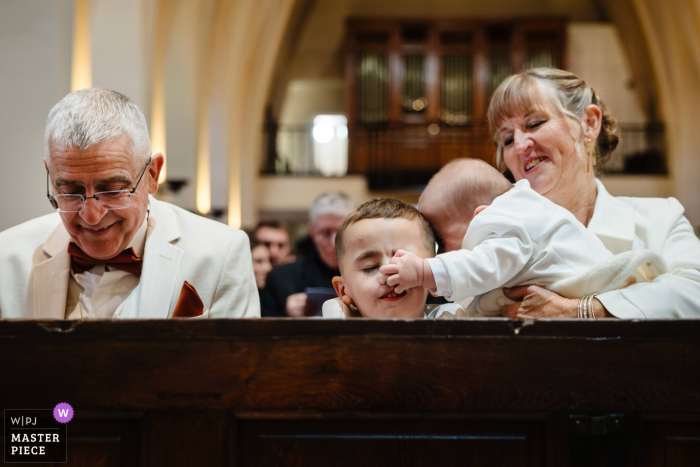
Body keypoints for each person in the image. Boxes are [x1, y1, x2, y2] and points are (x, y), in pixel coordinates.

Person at [0, 88, 260, 319]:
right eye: (70, 191)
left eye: (112, 189)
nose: (91, 215)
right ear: (50, 173)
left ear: (152, 175)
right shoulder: (7, 258)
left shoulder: (221, 255)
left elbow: (231, 372)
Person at [477, 67, 700, 319]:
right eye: (507, 139)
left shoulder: (661, 218)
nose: (519, 145)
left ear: (589, 123)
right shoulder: (498, 233)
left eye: (535, 123)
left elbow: (695, 292)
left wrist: (581, 311)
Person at [381, 158, 664, 316]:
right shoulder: (519, 219)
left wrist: (423, 271)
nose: (440, 253)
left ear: (482, 215)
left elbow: (484, 264)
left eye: (440, 240)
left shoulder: (506, 221)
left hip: (604, 301)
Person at [325, 198, 464, 319]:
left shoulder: (460, 329)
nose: (389, 274)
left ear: (434, 275)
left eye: (404, 262)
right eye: (370, 267)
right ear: (343, 290)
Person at [260, 192, 355, 317]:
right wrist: (284, 314)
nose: (333, 243)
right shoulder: (281, 279)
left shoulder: (368, 275)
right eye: (325, 233)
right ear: (312, 230)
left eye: (340, 233)